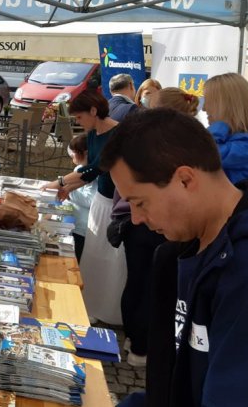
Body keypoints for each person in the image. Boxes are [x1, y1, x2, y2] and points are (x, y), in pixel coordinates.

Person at [103, 109, 248, 407]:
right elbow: (170, 388)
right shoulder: (177, 254)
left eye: (139, 202)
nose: (135, 218)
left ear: (185, 179)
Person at [111, 86, 196, 367]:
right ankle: (140, 343)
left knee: (140, 282)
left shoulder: (147, 136)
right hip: (151, 225)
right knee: (147, 285)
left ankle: (136, 341)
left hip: (147, 225)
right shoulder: (180, 141)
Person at [43, 90, 124, 325]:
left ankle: (107, 309)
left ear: (93, 111)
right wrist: (68, 187)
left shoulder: (117, 133)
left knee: (110, 258)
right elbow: (87, 175)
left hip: (114, 202)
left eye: (79, 118)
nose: (78, 123)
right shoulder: (92, 134)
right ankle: (91, 305)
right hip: (100, 199)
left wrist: (60, 183)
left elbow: (95, 169)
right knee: (93, 256)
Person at [202, 72, 248, 184]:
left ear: (226, 105)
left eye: (208, 102)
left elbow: (204, 154)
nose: (204, 108)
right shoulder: (223, 137)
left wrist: (221, 124)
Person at [63, 133, 96, 262]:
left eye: (74, 153)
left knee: (77, 259)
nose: (71, 156)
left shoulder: (93, 173)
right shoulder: (79, 168)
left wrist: (68, 192)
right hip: (74, 221)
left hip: (83, 227)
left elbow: (90, 200)